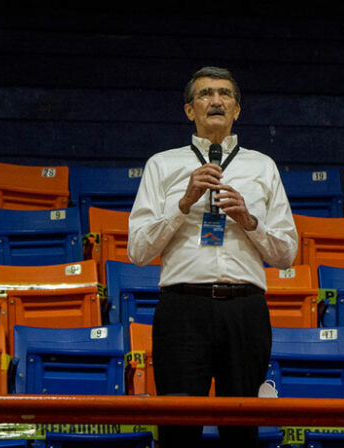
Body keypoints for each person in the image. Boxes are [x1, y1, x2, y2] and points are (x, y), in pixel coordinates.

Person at [128, 66, 298, 447]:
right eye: (205, 94)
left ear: (237, 109)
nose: (216, 101)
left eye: (225, 94)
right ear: (190, 110)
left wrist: (249, 221)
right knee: (177, 431)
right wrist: (183, 204)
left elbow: (287, 254)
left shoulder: (263, 166)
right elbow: (138, 250)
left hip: (245, 311)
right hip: (181, 310)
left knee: (242, 432)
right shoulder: (161, 165)